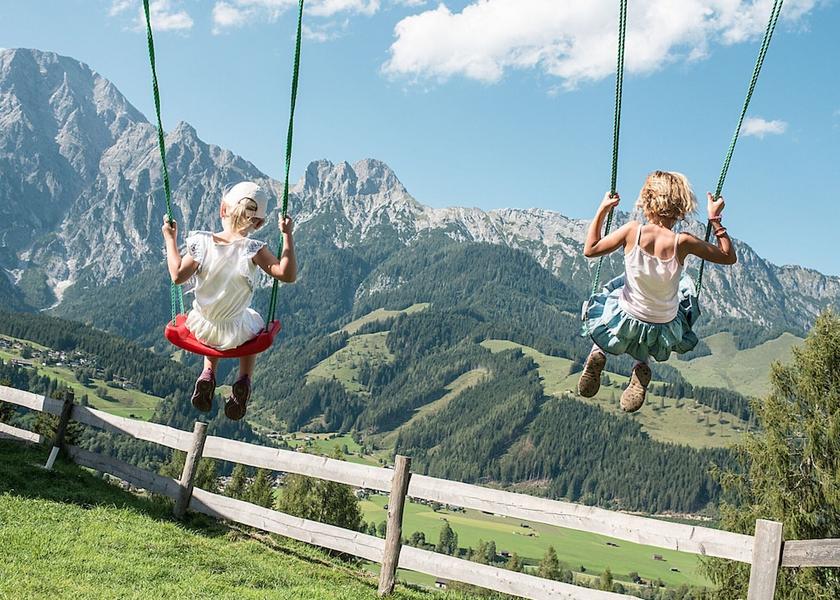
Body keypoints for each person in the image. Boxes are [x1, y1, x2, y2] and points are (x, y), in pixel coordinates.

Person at [579, 171, 736, 412]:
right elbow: (728, 257)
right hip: (663, 325)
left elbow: (590, 249)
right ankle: (641, 366)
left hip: (626, 314)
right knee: (671, 309)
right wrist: (715, 219)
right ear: (681, 205)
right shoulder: (683, 242)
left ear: (646, 200)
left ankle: (598, 351)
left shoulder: (633, 231)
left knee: (610, 296)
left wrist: (603, 209)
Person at [162, 181, 296, 420]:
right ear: (259, 223)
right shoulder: (254, 249)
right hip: (237, 334)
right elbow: (287, 275)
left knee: (212, 316)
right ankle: (244, 379)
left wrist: (170, 239)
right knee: (253, 320)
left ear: (222, 209)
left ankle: (208, 373)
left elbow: (177, 276)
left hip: (201, 327)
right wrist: (287, 235)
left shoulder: (201, 243)